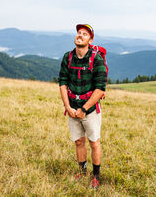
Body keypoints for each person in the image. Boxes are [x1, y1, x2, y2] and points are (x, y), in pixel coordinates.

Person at [58, 24, 107, 190]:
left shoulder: (96, 58)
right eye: (79, 33)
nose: (80, 35)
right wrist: (68, 107)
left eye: (84, 34)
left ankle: (96, 176)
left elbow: (100, 88)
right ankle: (82, 171)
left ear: (90, 40)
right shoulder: (68, 57)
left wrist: (84, 109)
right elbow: (63, 83)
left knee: (94, 142)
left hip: (90, 109)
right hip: (72, 108)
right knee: (79, 141)